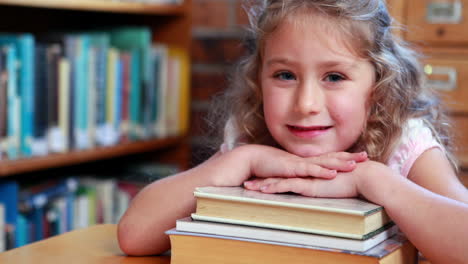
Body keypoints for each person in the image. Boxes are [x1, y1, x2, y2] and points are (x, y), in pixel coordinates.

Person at [117, 1, 468, 263]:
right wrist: (241, 159)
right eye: (285, 75)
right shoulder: (250, 136)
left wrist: (372, 179)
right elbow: (133, 236)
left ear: (378, 85)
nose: (306, 104)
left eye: (334, 77)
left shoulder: (402, 142)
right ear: (259, 80)